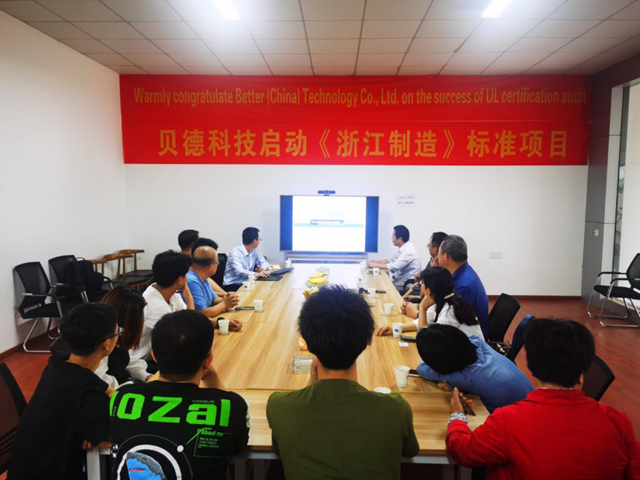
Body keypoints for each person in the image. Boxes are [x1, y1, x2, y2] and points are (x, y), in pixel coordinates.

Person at [446, 319, 640, 479]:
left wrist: (457, 416)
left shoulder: (507, 420)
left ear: (531, 367)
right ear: (583, 373)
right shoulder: (618, 422)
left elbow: (463, 452)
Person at [267, 286, 419, 480]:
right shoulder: (396, 409)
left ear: (308, 344)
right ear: (365, 343)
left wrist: (311, 384)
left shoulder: (279, 407)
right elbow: (410, 451)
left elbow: (279, 449)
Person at [110, 310, 250, 480]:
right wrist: (211, 376)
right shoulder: (232, 406)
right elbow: (238, 446)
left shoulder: (122, 397)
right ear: (208, 360)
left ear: (154, 356)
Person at [8, 304, 117, 480]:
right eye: (118, 333)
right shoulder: (88, 393)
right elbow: (117, 433)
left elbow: (88, 390)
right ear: (106, 344)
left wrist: (93, 431)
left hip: (24, 468)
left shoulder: (57, 363)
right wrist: (99, 433)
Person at [416, 324, 532, 413]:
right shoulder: (478, 342)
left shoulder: (467, 377)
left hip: (520, 423)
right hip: (534, 405)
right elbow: (463, 338)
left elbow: (422, 369)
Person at [378, 267, 483, 339]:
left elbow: (426, 339)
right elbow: (424, 321)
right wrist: (396, 329)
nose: (421, 286)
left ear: (428, 291)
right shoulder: (444, 299)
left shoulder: (449, 311)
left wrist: (422, 308)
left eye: (422, 283)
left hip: (474, 359)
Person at [131, 250, 194, 364]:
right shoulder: (156, 306)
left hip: (158, 353)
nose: (187, 278)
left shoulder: (168, 291)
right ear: (180, 280)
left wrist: (218, 322)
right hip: (142, 362)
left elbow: (186, 317)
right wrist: (189, 298)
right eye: (186, 275)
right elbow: (187, 332)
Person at [96, 286, 151, 386]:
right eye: (141, 318)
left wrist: (146, 376)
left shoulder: (118, 338)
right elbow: (105, 386)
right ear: (128, 321)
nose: (143, 321)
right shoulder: (101, 347)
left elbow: (128, 360)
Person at [437, 235, 490, 338]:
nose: (436, 256)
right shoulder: (462, 272)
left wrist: (419, 313)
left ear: (446, 256)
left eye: (439, 252)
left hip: (471, 340)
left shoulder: (464, 286)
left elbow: (449, 320)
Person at [188, 244, 242, 329]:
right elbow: (202, 314)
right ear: (210, 266)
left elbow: (213, 299)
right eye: (217, 263)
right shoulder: (191, 281)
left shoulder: (202, 276)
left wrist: (228, 299)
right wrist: (225, 304)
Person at [369, 225, 421, 289]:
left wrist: (374, 265)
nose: (392, 238)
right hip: (399, 283)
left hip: (406, 287)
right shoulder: (403, 248)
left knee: (380, 287)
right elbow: (390, 260)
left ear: (400, 239)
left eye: (393, 236)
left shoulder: (408, 251)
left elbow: (394, 266)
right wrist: (375, 261)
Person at [223, 227, 270, 291]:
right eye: (259, 239)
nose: (259, 241)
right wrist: (256, 274)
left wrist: (262, 268)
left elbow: (265, 263)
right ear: (254, 241)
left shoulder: (254, 250)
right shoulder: (235, 252)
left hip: (247, 282)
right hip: (233, 285)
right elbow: (239, 271)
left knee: (264, 288)